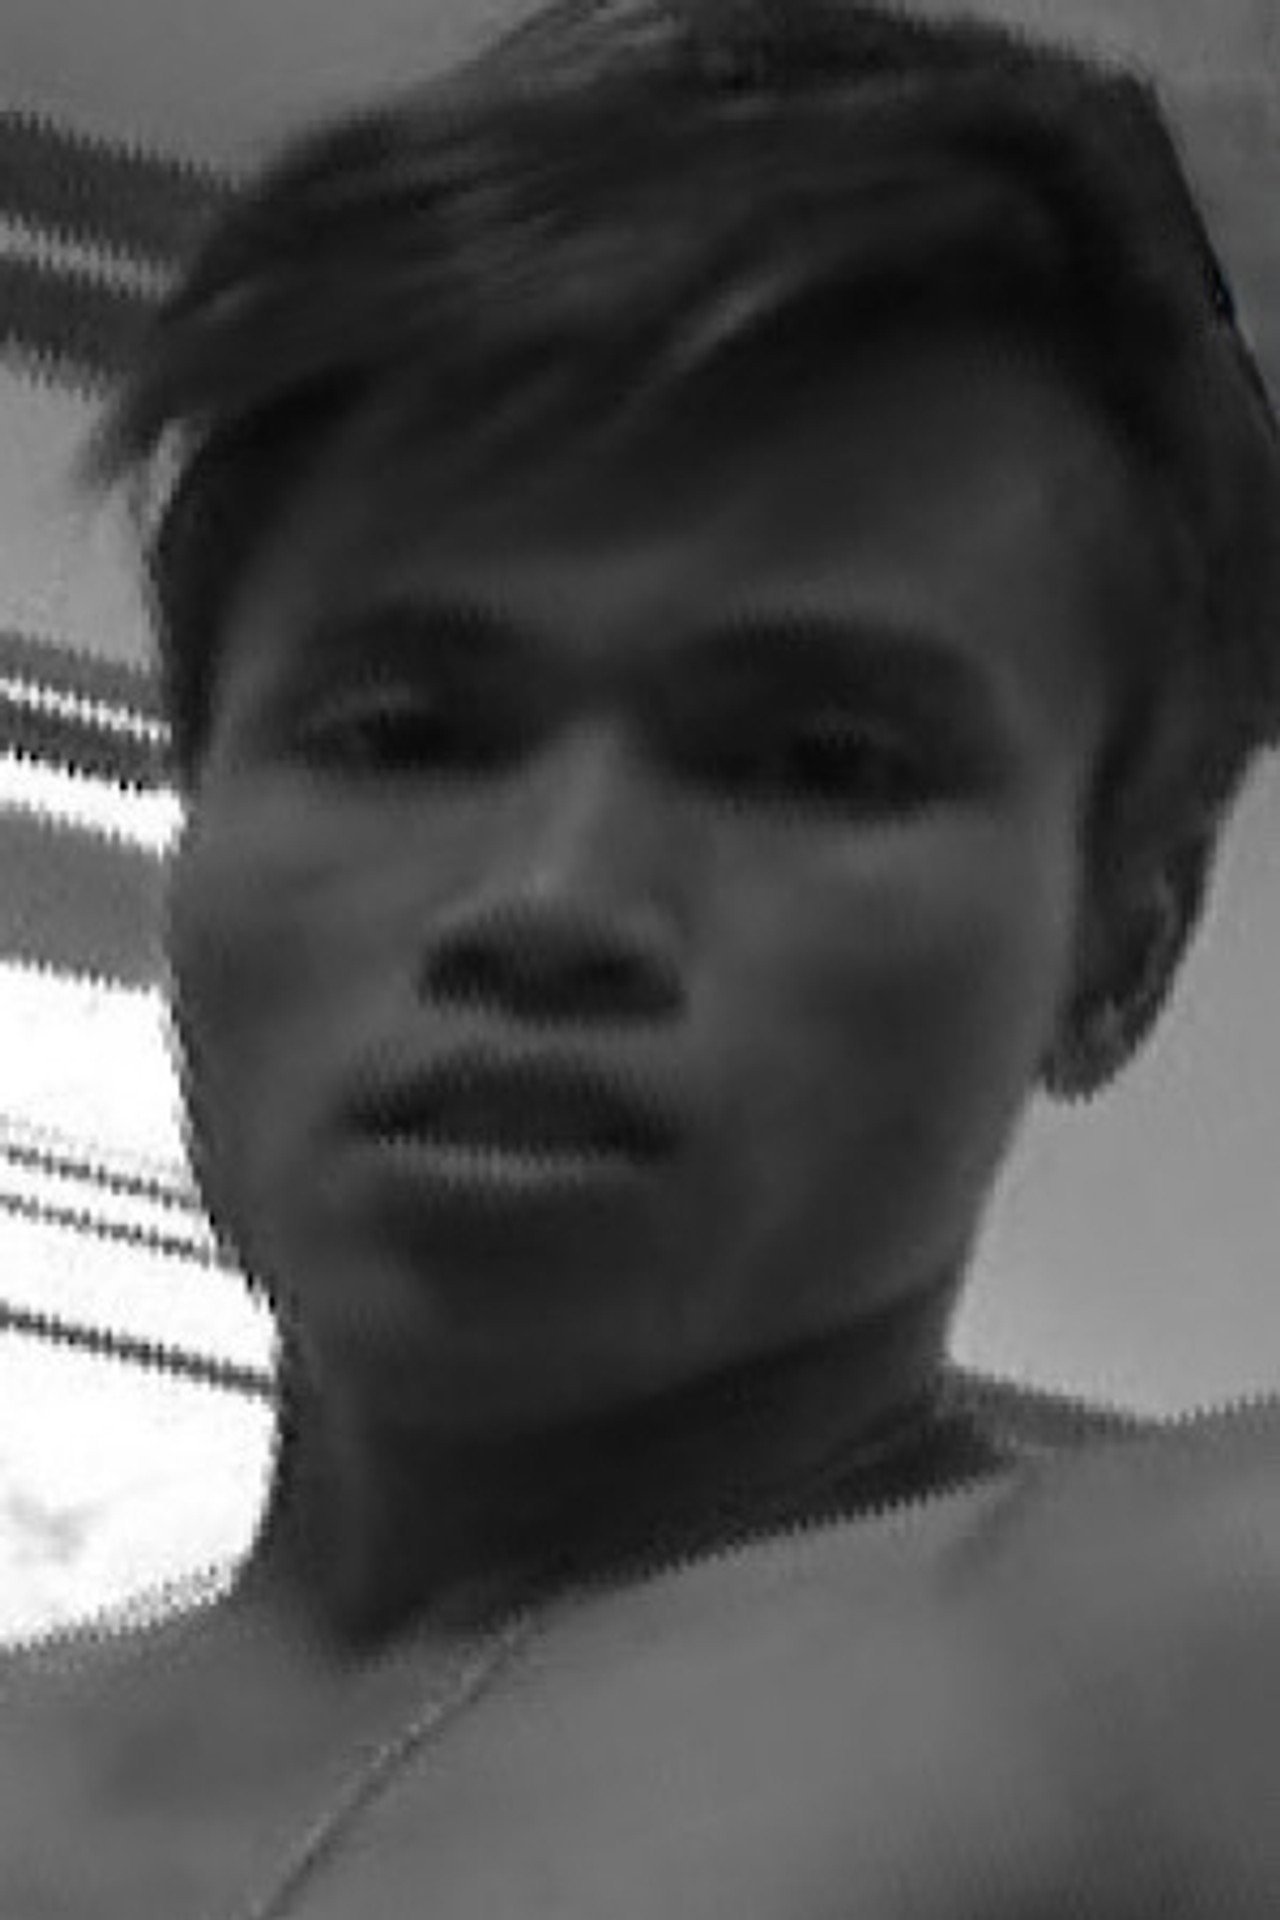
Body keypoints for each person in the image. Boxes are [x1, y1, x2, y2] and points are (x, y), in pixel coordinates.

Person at [7, 1, 1279, 1914]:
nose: (553, 900)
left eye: (821, 763)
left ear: (1125, 945)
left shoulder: (1188, 1650)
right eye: (398, 735)